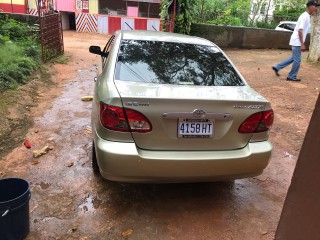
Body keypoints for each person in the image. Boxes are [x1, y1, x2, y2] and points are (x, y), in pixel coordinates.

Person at [272, 0, 319, 81]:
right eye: (315, 6)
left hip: (295, 40)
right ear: (310, 7)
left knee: (294, 58)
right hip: (297, 41)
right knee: (297, 60)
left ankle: (277, 67)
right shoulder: (305, 17)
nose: (316, 8)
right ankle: (291, 76)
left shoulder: (306, 16)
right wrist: (302, 44)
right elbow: (300, 30)